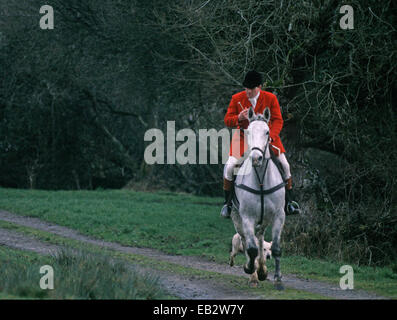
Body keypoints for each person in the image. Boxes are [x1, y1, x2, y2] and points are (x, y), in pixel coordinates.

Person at [220, 70, 301, 218]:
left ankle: (289, 202)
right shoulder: (236, 98)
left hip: (266, 139)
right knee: (230, 166)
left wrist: (272, 136)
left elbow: (278, 120)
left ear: (260, 87)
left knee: (285, 165)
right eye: (246, 88)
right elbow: (227, 120)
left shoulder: (270, 98)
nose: (248, 92)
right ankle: (228, 203)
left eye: (251, 89)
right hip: (244, 138)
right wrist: (238, 117)